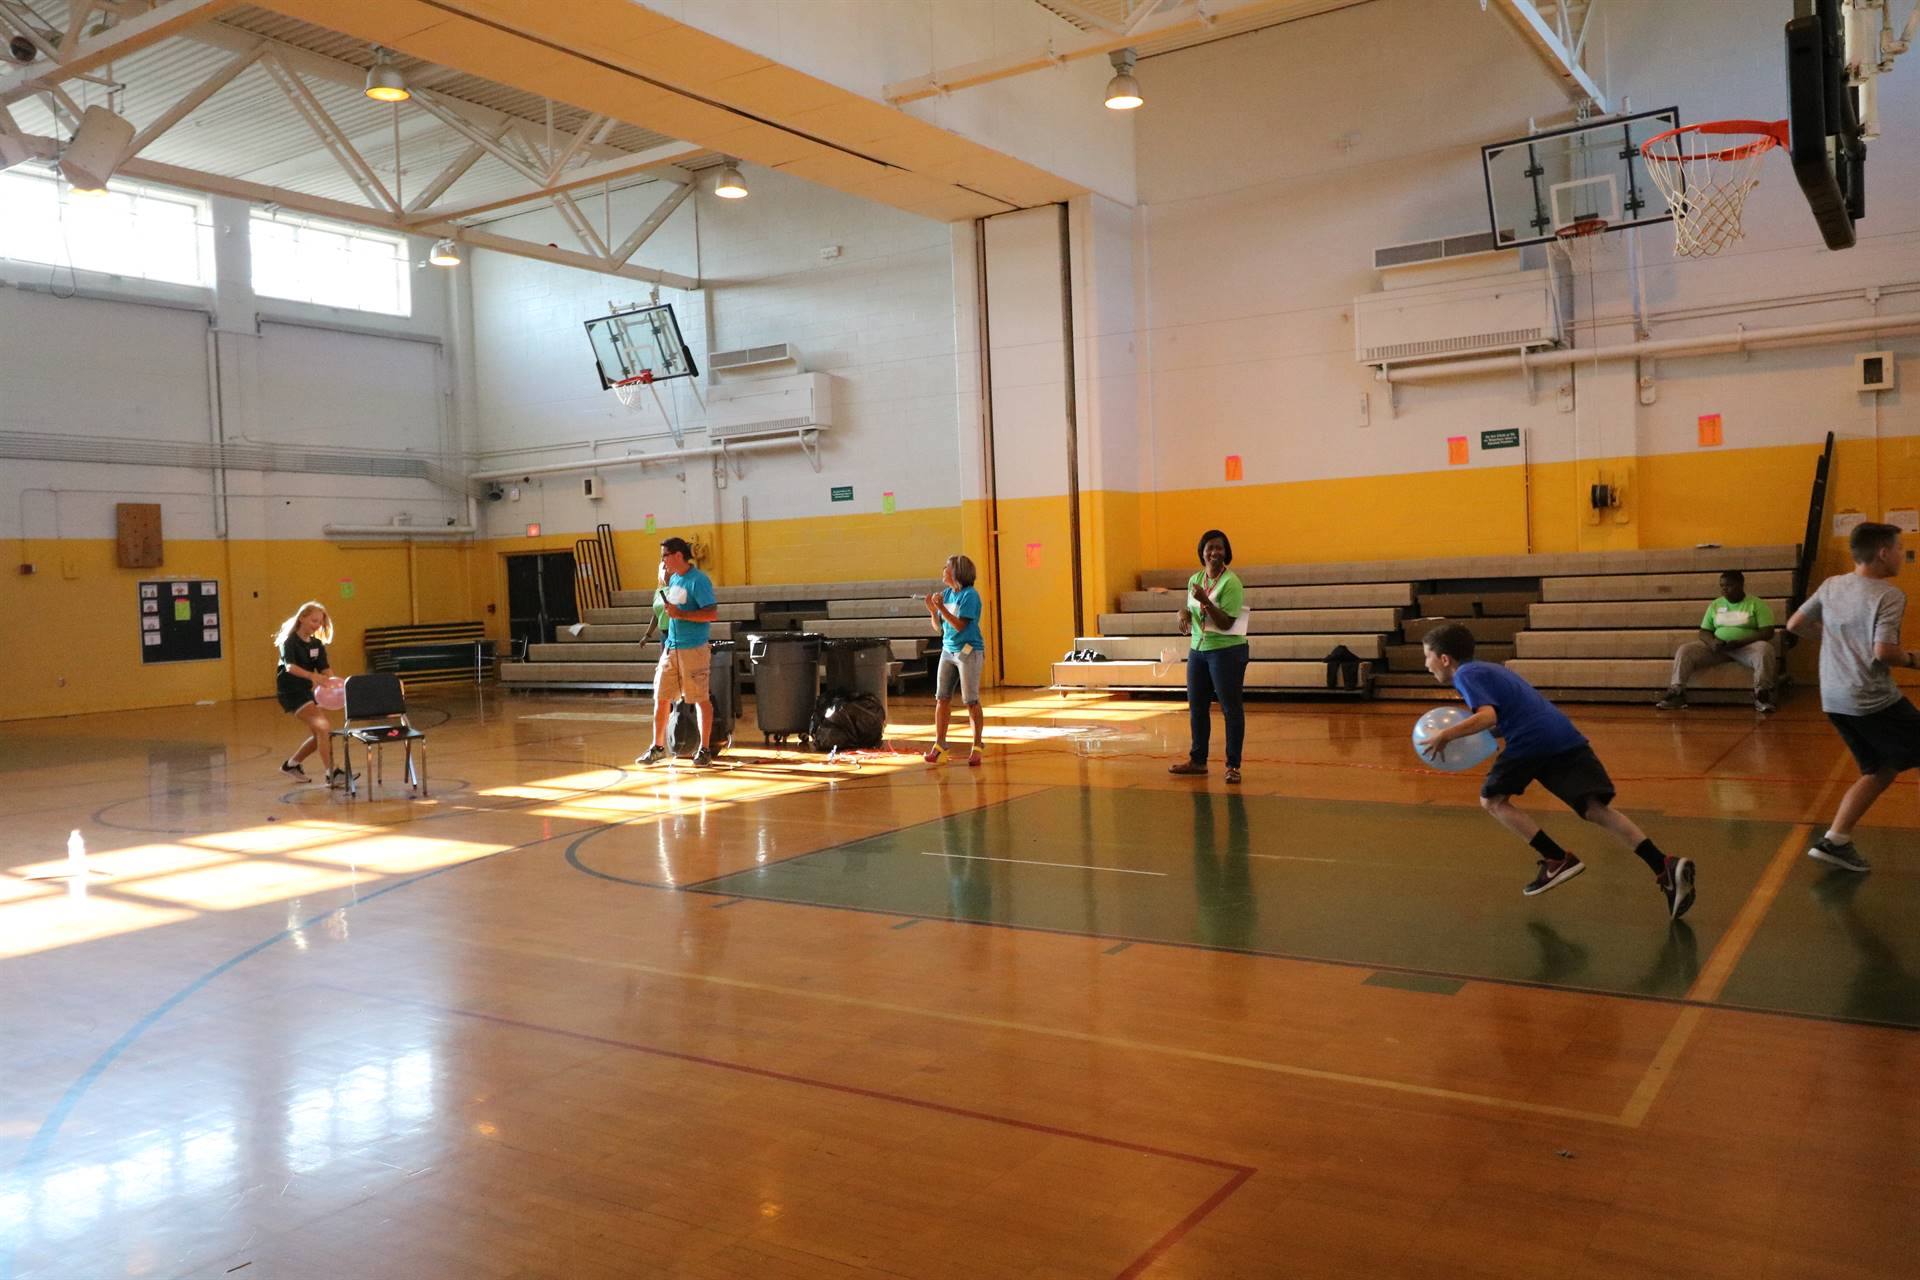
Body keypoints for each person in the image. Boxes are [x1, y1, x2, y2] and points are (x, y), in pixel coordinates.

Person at [1418, 623, 1696, 918]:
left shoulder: (1466, 675)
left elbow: (1488, 716)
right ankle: (1663, 865)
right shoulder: (1489, 669)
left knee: (1492, 800)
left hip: (1532, 740)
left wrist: (1446, 735)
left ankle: (1556, 859)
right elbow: (1506, 716)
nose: (1426, 664)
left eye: (1427, 656)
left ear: (1445, 658)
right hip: (1563, 736)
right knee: (1594, 808)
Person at [1785, 521, 1920, 873]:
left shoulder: (1831, 586)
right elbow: (1885, 652)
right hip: (1871, 699)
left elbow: (1795, 624)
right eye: (1898, 547)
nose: (1901, 555)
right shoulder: (1889, 595)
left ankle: (1836, 840)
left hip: (1834, 699)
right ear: (1883, 553)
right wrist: (1914, 659)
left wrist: (1835, 640)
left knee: (1881, 769)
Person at [1168, 529, 1249, 784]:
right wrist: (1183, 613)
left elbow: (1225, 623)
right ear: (1202, 551)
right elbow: (1191, 611)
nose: (1215, 553)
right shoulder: (1195, 579)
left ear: (1227, 553)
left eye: (1220, 548)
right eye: (1210, 548)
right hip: (1198, 650)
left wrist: (1206, 602)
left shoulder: (1231, 583)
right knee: (1197, 707)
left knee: (1230, 708)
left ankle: (1233, 766)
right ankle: (1198, 761)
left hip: (1227, 651)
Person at [635, 537, 720, 767]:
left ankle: (704, 749)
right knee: (661, 696)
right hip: (671, 647)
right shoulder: (673, 580)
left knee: (700, 699)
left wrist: (682, 615)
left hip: (693, 648)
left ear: (678, 555)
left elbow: (711, 613)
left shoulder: (698, 581)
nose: (662, 560)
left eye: (665, 555)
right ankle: (658, 746)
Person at [1655, 570, 1780, 712]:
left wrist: (1740, 642)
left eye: (1729, 585)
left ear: (1741, 585)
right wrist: (1712, 642)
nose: (1724, 589)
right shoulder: (1715, 605)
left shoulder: (1756, 604)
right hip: (1719, 648)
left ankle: (1762, 694)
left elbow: (1767, 631)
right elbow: (1704, 631)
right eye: (1722, 586)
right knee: (1685, 650)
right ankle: (1677, 693)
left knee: (1765, 649)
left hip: (1746, 647)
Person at [274, 601, 351, 788]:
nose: (317, 625)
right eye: (314, 620)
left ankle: (291, 765)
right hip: (291, 691)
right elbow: (290, 667)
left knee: (320, 734)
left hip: (307, 692)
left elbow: (325, 669)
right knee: (323, 727)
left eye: (320, 622)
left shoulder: (316, 644)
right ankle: (331, 773)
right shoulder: (289, 642)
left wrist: (333, 683)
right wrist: (312, 676)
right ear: (302, 618)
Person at [924, 554, 985, 766]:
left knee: (970, 700)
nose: (943, 569)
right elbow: (940, 628)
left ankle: (977, 745)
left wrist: (941, 608)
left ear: (957, 572)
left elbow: (960, 626)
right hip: (948, 651)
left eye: (947, 567)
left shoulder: (970, 596)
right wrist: (933, 612)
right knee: (942, 698)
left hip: (969, 651)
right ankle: (940, 744)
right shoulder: (947, 594)